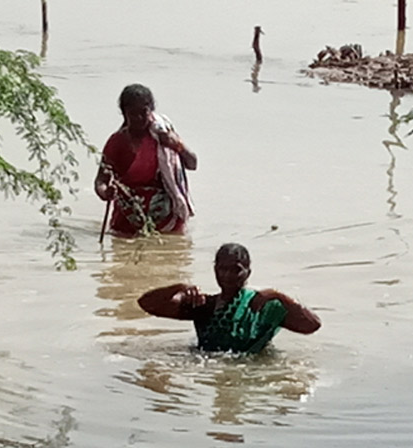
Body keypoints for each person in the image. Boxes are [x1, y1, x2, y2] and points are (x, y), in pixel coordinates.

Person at [137, 243, 321, 353]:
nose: (227, 275)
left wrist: (279, 295)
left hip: (249, 370)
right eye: (222, 269)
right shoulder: (205, 306)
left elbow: (312, 325)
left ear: (248, 272)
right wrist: (180, 288)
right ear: (215, 270)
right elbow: (147, 304)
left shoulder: (260, 306)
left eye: (236, 269)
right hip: (209, 365)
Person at [95, 84, 197, 237]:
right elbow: (100, 180)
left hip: (166, 221)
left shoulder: (163, 136)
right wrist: (105, 193)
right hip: (128, 220)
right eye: (133, 114)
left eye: (144, 112)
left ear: (151, 111)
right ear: (124, 113)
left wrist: (177, 145)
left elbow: (193, 163)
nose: (139, 119)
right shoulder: (117, 143)